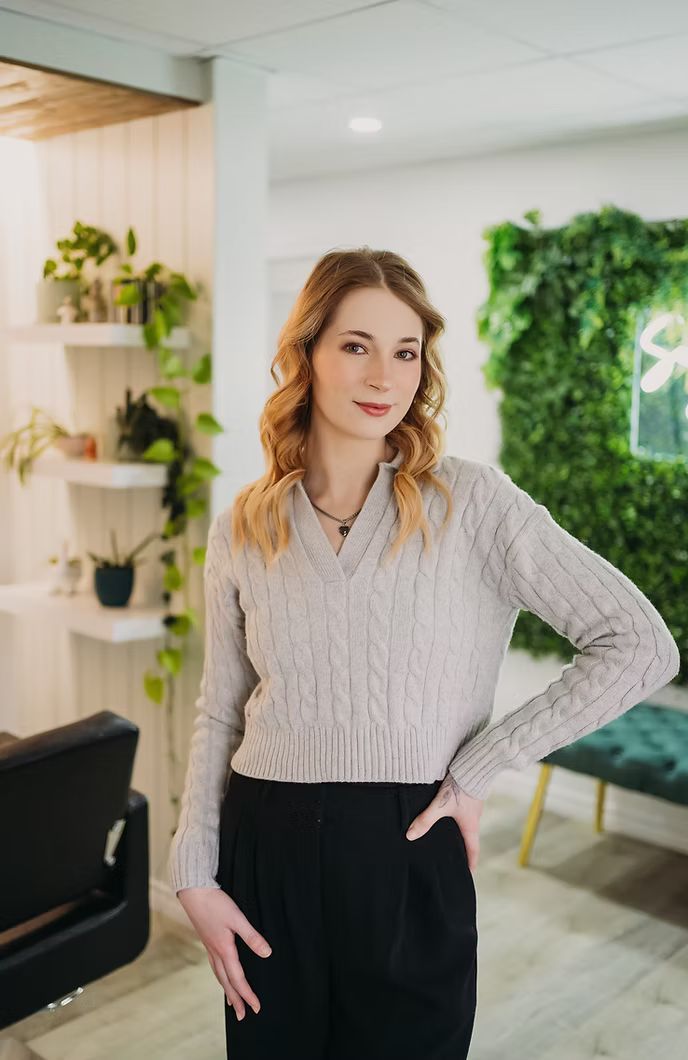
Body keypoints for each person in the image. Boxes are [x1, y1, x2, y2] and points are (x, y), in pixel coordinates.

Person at [168, 247, 680, 1060]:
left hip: (406, 845)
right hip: (265, 843)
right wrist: (193, 870)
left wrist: (479, 767)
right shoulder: (244, 524)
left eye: (405, 351)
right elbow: (220, 709)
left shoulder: (473, 503)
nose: (384, 376)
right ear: (306, 355)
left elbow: (639, 645)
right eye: (356, 345)